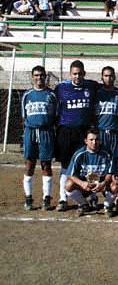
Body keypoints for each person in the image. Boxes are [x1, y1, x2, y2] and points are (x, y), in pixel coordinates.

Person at [54, 60, 98, 212]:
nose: (77, 76)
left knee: (87, 163)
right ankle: (62, 198)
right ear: (70, 74)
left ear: (84, 74)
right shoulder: (61, 88)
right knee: (66, 165)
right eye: (74, 73)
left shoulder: (92, 87)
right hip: (66, 131)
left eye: (80, 73)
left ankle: (91, 197)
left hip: (84, 130)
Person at [21, 66, 57, 211]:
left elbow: (56, 116)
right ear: (32, 77)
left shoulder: (51, 95)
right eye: (36, 75)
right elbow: (23, 117)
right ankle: (28, 198)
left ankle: (46, 198)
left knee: (46, 165)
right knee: (29, 165)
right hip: (30, 132)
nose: (39, 78)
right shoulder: (27, 95)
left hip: (46, 132)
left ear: (45, 77)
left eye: (42, 75)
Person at [65, 128, 115, 216]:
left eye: (97, 139)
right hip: (85, 183)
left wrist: (103, 183)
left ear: (100, 140)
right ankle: (83, 204)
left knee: (114, 184)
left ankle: (108, 206)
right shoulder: (79, 154)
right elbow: (70, 175)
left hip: (101, 183)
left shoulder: (107, 153)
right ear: (85, 141)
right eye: (91, 140)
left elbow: (110, 173)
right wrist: (82, 183)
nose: (94, 142)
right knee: (69, 185)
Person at [95, 66, 118, 156]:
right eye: (106, 76)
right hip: (101, 132)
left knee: (115, 160)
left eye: (111, 76)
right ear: (102, 78)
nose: (109, 79)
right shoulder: (96, 94)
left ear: (114, 77)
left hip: (115, 133)